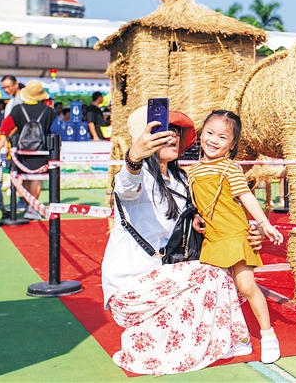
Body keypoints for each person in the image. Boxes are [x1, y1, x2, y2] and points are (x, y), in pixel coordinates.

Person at [102, 105, 264, 375]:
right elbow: (126, 185)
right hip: (129, 287)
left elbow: (222, 214)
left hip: (164, 280)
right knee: (211, 274)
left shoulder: (181, 180)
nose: (174, 137)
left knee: (224, 272)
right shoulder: (138, 176)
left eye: (177, 132)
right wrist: (134, 156)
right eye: (165, 131)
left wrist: (253, 229)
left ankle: (203, 341)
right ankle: (194, 344)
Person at [188, 109, 284, 364]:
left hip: (234, 235)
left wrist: (264, 223)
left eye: (222, 137)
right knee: (216, 291)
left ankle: (268, 335)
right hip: (212, 239)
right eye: (210, 133)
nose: (213, 140)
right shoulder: (193, 171)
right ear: (201, 134)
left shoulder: (230, 167)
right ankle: (233, 338)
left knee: (246, 286)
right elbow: (198, 205)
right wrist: (196, 216)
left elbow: (246, 196)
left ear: (232, 145)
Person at [0, 81, 57, 220]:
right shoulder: (49, 111)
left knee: (23, 177)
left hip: (22, 151)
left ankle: (25, 203)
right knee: (37, 179)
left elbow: (5, 127)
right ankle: (32, 209)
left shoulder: (17, 109)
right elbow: (56, 130)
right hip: (41, 150)